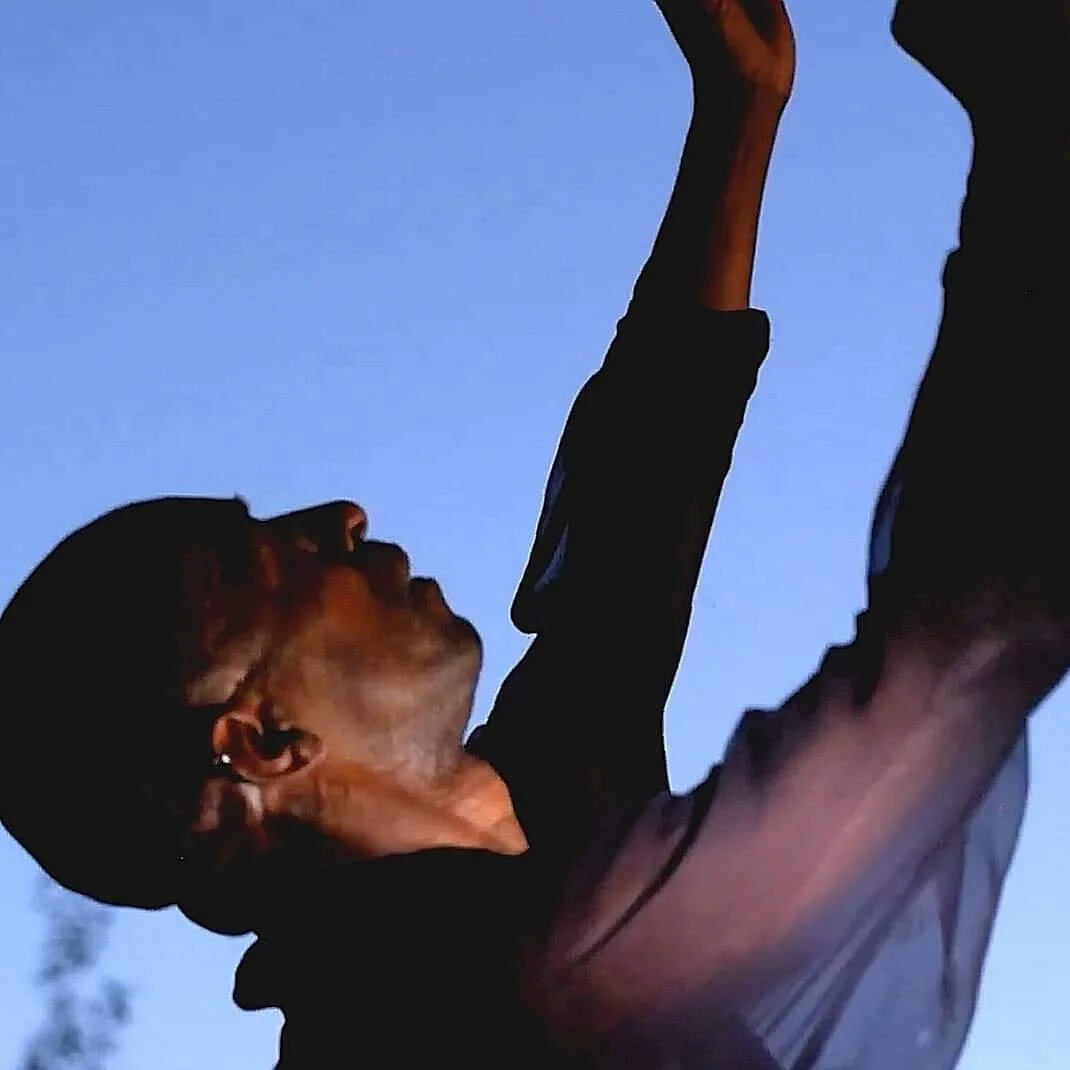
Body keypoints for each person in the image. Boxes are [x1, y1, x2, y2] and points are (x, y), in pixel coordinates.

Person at [1, 0, 1064, 1065]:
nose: (339, 515)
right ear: (263, 740)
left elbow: (621, 557)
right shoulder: (510, 988)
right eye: (271, 557)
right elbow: (953, 651)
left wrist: (737, 109)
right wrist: (1031, 127)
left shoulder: (496, 873)